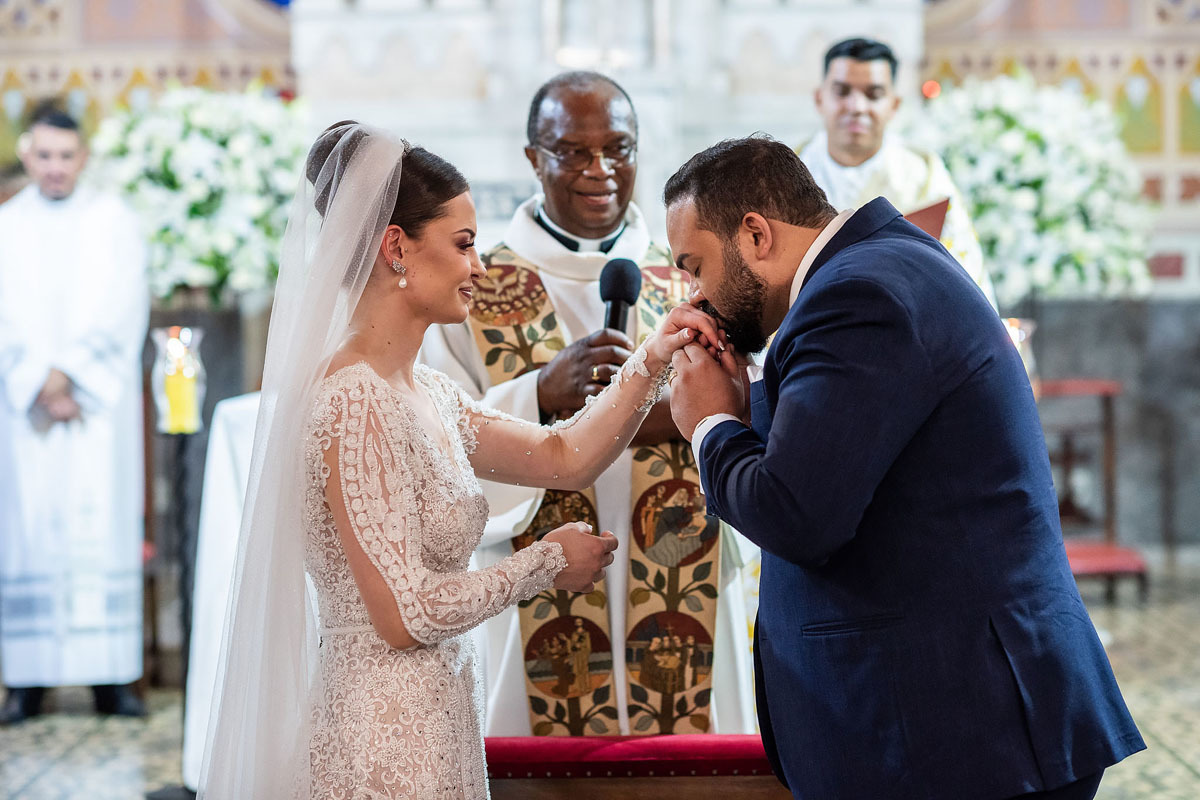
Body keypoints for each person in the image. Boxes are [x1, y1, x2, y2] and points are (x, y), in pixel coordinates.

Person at [199, 122, 721, 799]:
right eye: (464, 244)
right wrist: (544, 563)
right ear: (396, 249)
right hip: (381, 736)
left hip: (436, 716)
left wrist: (652, 358)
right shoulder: (355, 399)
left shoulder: (425, 391)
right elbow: (403, 613)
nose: (479, 268)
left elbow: (563, 456)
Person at [663, 135, 1145, 800]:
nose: (694, 293)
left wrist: (710, 423)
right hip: (957, 720)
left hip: (961, 732)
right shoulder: (875, 270)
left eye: (696, 266)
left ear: (755, 235)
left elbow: (798, 515)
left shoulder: (857, 298)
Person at [421, 70, 756, 738]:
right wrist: (537, 393)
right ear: (533, 158)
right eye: (573, 151)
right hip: (537, 582)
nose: (599, 169)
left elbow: (753, 398)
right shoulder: (472, 286)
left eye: (618, 148)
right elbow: (431, 434)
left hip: (680, 568)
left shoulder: (690, 273)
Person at [0, 103, 149, 724]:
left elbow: (123, 304)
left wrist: (70, 378)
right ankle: (27, 683)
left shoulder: (114, 220)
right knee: (29, 534)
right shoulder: (5, 224)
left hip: (93, 409)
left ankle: (110, 679)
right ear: (26, 154)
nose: (55, 168)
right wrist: (36, 380)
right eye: (44, 156)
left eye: (66, 156)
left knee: (99, 526)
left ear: (82, 157)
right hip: (27, 408)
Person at [798, 37, 998, 310]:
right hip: (804, 336)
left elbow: (963, 276)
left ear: (894, 105)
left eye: (873, 94)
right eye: (842, 91)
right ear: (820, 99)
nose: (857, 107)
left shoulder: (924, 176)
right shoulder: (786, 174)